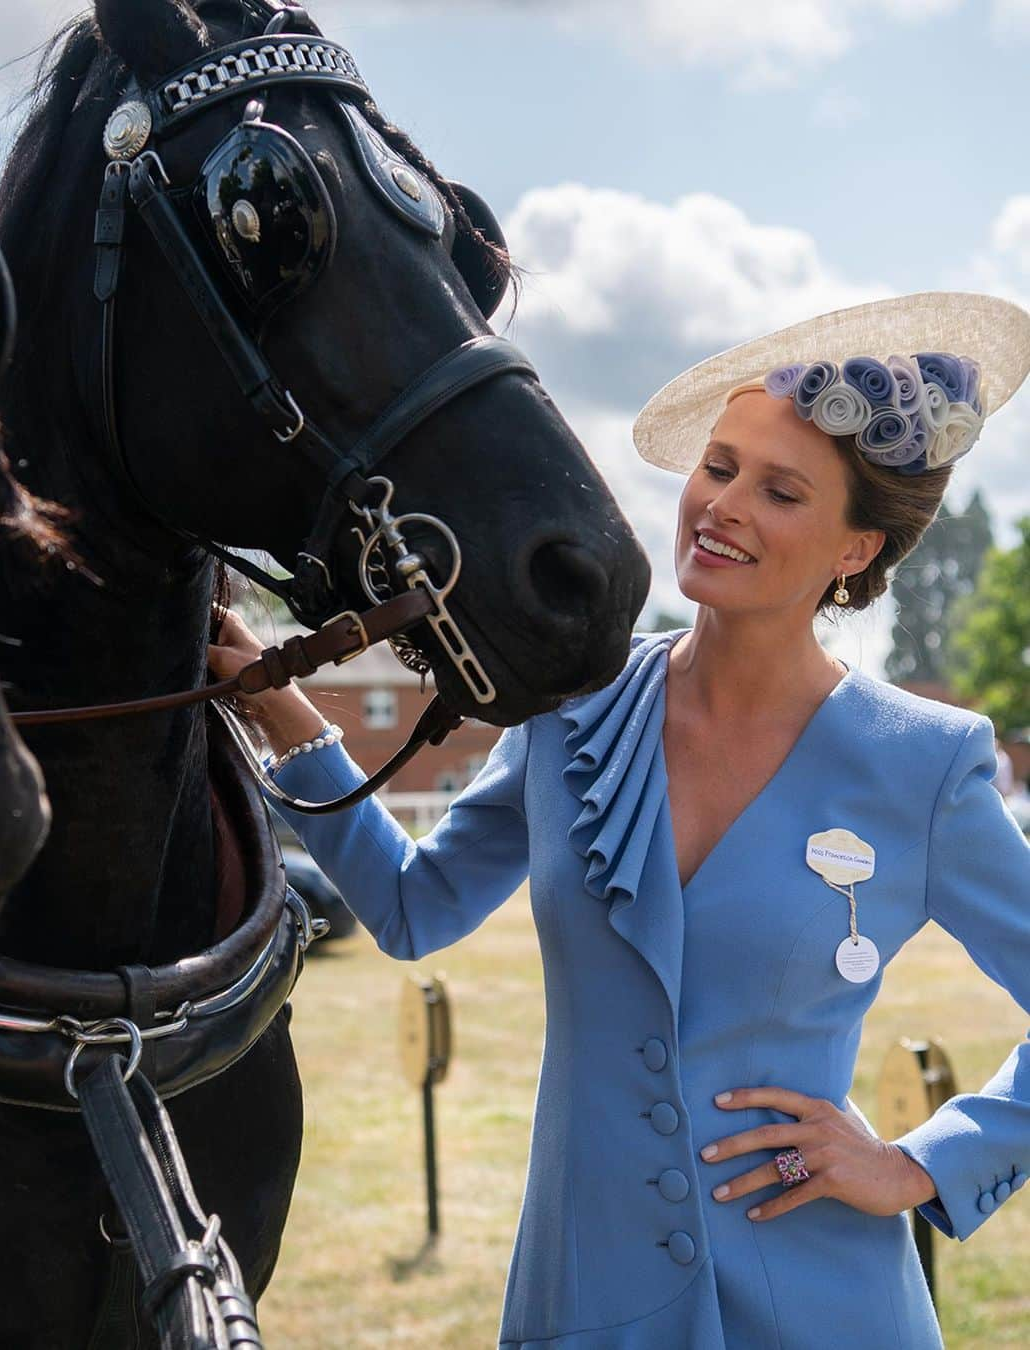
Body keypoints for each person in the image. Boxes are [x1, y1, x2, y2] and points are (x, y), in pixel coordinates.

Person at [209, 291, 1030, 1349]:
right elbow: (417, 908)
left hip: (825, 1301)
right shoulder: (571, 706)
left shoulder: (926, 762)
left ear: (854, 553)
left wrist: (917, 1164)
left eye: (780, 491)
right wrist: (283, 707)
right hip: (584, 1293)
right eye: (719, 466)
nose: (722, 506)